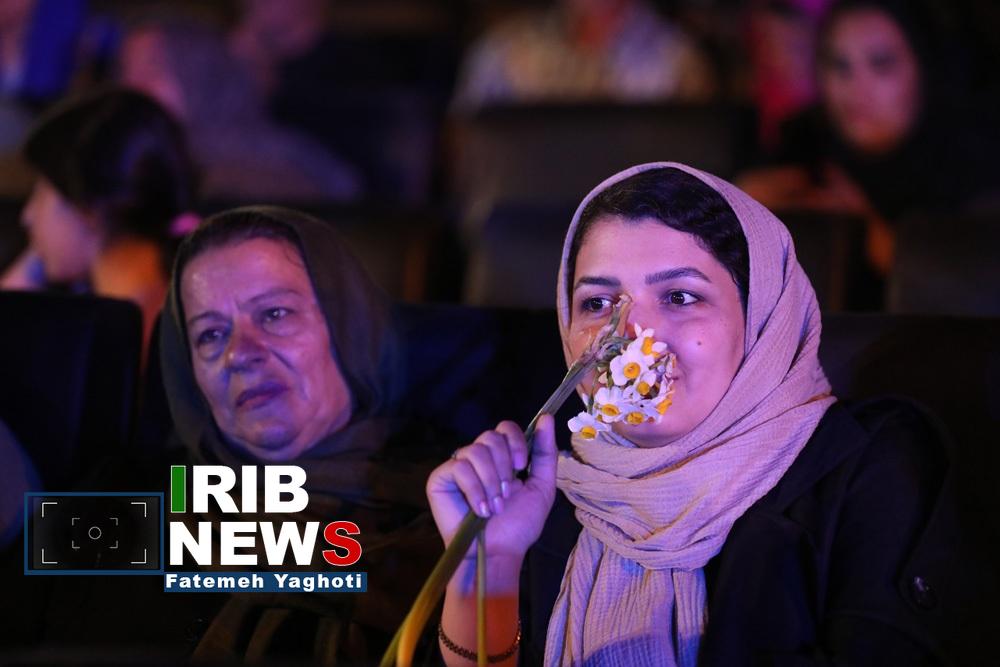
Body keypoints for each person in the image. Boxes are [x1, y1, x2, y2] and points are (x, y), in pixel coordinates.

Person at [427, 162, 976, 664]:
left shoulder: (868, 464)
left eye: (680, 297)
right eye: (597, 304)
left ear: (760, 318)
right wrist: (486, 569)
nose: (629, 337)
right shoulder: (536, 496)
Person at [157, 206, 442, 663]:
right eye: (210, 334)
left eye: (274, 313)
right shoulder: (138, 510)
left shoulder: (456, 507)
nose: (238, 354)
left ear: (349, 327)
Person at [737, 0, 1000, 275]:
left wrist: (867, 229)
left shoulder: (974, 165)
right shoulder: (803, 142)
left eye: (881, 64)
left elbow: (962, 287)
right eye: (840, 65)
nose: (856, 88)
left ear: (924, 67)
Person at [0, 88, 198, 352]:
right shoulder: (163, 306)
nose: (28, 215)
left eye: (42, 193)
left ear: (86, 206)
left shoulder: (132, 331)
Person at [119, 16, 362, 203]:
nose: (131, 85)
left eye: (152, 69)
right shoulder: (128, 164)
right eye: (126, 70)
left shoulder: (275, 160)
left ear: (200, 75)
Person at [451, 0, 715, 113]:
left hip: (633, 211)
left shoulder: (680, 60)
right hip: (527, 211)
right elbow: (467, 158)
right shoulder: (502, 54)